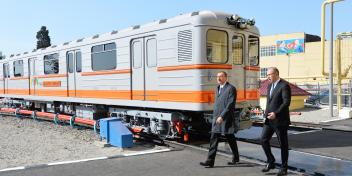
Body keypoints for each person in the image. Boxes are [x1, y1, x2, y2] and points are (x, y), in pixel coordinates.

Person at [200, 71, 240, 168]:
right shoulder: (217, 88)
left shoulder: (231, 88)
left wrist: (222, 116)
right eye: (217, 76)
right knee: (213, 138)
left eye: (221, 76)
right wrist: (216, 116)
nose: (218, 78)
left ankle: (236, 157)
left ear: (226, 77)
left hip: (226, 118)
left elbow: (230, 105)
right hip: (216, 117)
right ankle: (210, 160)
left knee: (230, 137)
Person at [261, 67, 291, 176]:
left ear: (276, 74)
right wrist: (265, 115)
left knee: (283, 144)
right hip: (269, 120)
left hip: (280, 120)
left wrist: (276, 113)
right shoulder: (269, 86)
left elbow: (286, 102)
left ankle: (284, 168)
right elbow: (269, 103)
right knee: (263, 140)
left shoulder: (284, 85)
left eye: (270, 74)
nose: (268, 76)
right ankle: (271, 161)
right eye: (267, 74)